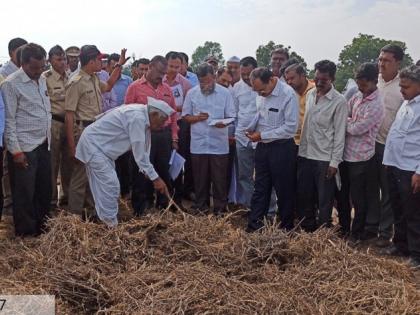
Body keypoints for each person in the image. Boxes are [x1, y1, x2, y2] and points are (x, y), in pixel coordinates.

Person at [76, 98, 173, 227]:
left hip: (102, 150)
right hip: (95, 146)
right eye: (163, 121)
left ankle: (105, 221)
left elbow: (144, 153)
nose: (164, 125)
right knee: (110, 185)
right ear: (154, 114)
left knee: (105, 187)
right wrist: (156, 179)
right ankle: (110, 226)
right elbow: (141, 156)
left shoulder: (142, 116)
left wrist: (150, 174)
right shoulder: (137, 118)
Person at [65, 45, 129, 218]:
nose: (102, 62)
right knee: (80, 175)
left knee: (92, 172)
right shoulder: (76, 81)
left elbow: (108, 85)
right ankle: (74, 217)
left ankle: (93, 211)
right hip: (82, 131)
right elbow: (69, 115)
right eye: (100, 60)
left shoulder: (92, 78)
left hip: (94, 131)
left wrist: (119, 65)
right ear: (91, 61)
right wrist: (72, 146)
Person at [1, 43, 52, 236]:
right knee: (24, 193)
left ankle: (43, 228)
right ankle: (26, 233)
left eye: (41, 67)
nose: (38, 71)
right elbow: (10, 121)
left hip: (44, 143)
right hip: (25, 148)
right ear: (22, 64)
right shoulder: (11, 84)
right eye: (34, 68)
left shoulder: (42, 79)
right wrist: (16, 152)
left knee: (44, 190)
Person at [297, 60, 347, 232]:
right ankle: (307, 229)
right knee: (305, 196)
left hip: (324, 158)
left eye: (323, 80)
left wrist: (334, 163)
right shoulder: (311, 95)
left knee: (324, 199)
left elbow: (340, 134)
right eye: (316, 78)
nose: (319, 83)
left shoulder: (339, 101)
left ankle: (323, 233)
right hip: (305, 154)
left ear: (332, 79)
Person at [246, 67, 298, 231]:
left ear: (271, 80)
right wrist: (252, 128)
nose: (260, 94)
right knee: (260, 188)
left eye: (262, 90)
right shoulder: (260, 95)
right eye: (256, 91)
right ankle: (254, 227)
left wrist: (262, 135)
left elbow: (290, 128)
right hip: (262, 147)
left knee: (284, 190)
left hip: (282, 149)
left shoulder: (287, 94)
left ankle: (286, 229)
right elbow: (261, 116)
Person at [125, 55, 178, 214]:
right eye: (159, 72)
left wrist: (174, 136)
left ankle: (163, 207)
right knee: (141, 172)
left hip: (163, 136)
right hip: (142, 135)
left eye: (164, 73)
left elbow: (173, 116)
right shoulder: (134, 87)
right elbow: (126, 113)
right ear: (150, 67)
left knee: (163, 171)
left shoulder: (167, 89)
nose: (161, 76)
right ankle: (140, 209)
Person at [182, 63, 236, 215]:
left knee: (219, 179)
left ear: (214, 77)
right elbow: (186, 116)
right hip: (199, 144)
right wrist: (197, 118)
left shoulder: (225, 94)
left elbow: (232, 116)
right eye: (202, 82)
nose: (205, 84)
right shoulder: (192, 93)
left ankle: (220, 209)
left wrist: (222, 123)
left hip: (219, 144)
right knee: (200, 179)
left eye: (208, 81)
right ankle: (201, 207)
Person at [381, 65, 420, 268]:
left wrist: (419, 172)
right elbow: (397, 134)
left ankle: (416, 254)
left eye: (406, 86)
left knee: (413, 213)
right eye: (401, 86)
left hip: (410, 168)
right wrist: (388, 161)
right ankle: (400, 245)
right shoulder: (406, 104)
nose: (401, 90)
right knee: (398, 209)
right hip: (395, 164)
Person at [340, 63, 383, 241]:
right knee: (343, 194)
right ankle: (345, 229)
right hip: (346, 154)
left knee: (359, 198)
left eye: (364, 85)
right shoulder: (357, 96)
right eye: (359, 84)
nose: (361, 88)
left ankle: (357, 233)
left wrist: (346, 123)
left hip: (362, 157)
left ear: (374, 82)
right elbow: (345, 114)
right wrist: (347, 122)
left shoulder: (377, 105)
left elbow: (357, 128)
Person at [370, 44, 405, 247]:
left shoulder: (404, 86)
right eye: (380, 59)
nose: (381, 63)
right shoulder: (374, 80)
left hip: (390, 147)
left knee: (388, 192)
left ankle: (384, 233)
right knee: (371, 189)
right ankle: (371, 227)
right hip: (369, 144)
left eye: (386, 60)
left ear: (397, 63)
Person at [43, 45, 72, 208]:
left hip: (69, 123)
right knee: (52, 162)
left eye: (64, 59)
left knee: (68, 161)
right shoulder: (44, 78)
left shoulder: (70, 77)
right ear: (50, 60)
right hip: (53, 123)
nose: (63, 62)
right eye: (59, 59)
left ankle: (65, 196)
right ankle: (52, 199)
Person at [163, 52, 193, 205]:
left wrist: (172, 107)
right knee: (162, 161)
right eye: (171, 66)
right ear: (165, 64)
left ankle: (177, 198)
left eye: (177, 66)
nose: (174, 69)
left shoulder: (185, 84)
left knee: (178, 161)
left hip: (180, 125)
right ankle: (161, 198)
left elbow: (188, 108)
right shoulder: (159, 80)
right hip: (161, 126)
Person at [106, 53, 133, 198]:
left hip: (124, 125)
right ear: (108, 66)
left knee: (125, 159)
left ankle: (125, 191)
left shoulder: (128, 81)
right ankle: (112, 192)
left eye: (120, 66)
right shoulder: (103, 81)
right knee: (110, 159)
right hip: (108, 126)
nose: (118, 68)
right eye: (115, 65)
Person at [284, 63, 315, 145]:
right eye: (287, 80)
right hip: (293, 142)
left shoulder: (316, 91)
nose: (289, 82)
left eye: (292, 78)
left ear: (302, 75)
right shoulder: (287, 94)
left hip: (313, 143)